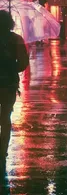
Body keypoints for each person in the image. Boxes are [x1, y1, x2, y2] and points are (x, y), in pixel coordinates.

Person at [0, 10, 29, 167]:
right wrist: (12, 69)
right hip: (9, 84)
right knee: (5, 117)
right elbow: (23, 62)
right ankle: (2, 150)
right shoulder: (16, 39)